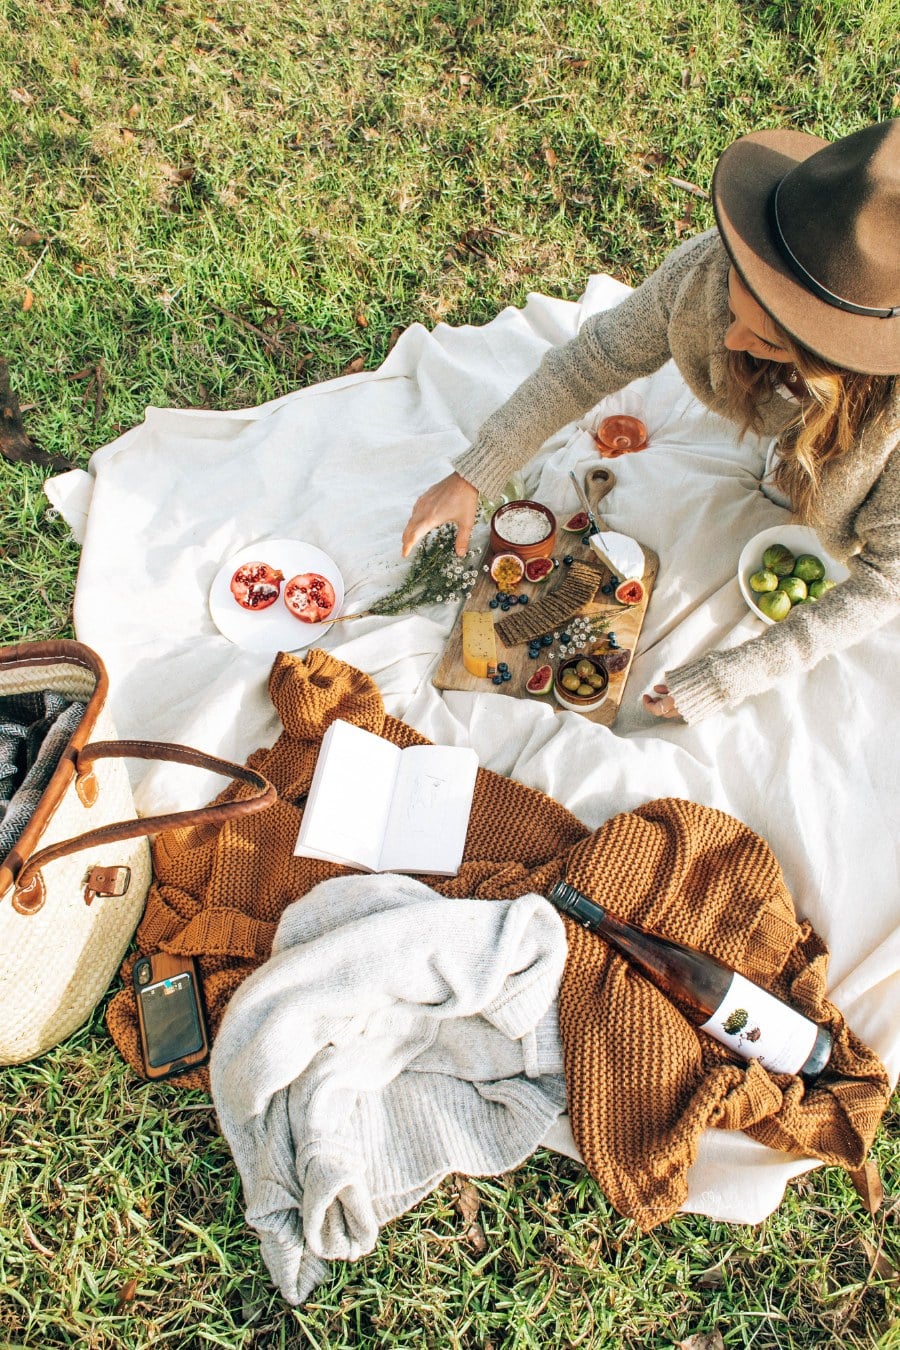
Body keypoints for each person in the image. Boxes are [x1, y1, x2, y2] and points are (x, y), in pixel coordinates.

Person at [401, 122, 900, 724]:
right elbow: (586, 365)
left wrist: (730, 675)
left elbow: (887, 577)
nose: (731, 338)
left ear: (840, 364)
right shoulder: (705, 271)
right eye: (739, 299)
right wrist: (476, 473)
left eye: (767, 342)